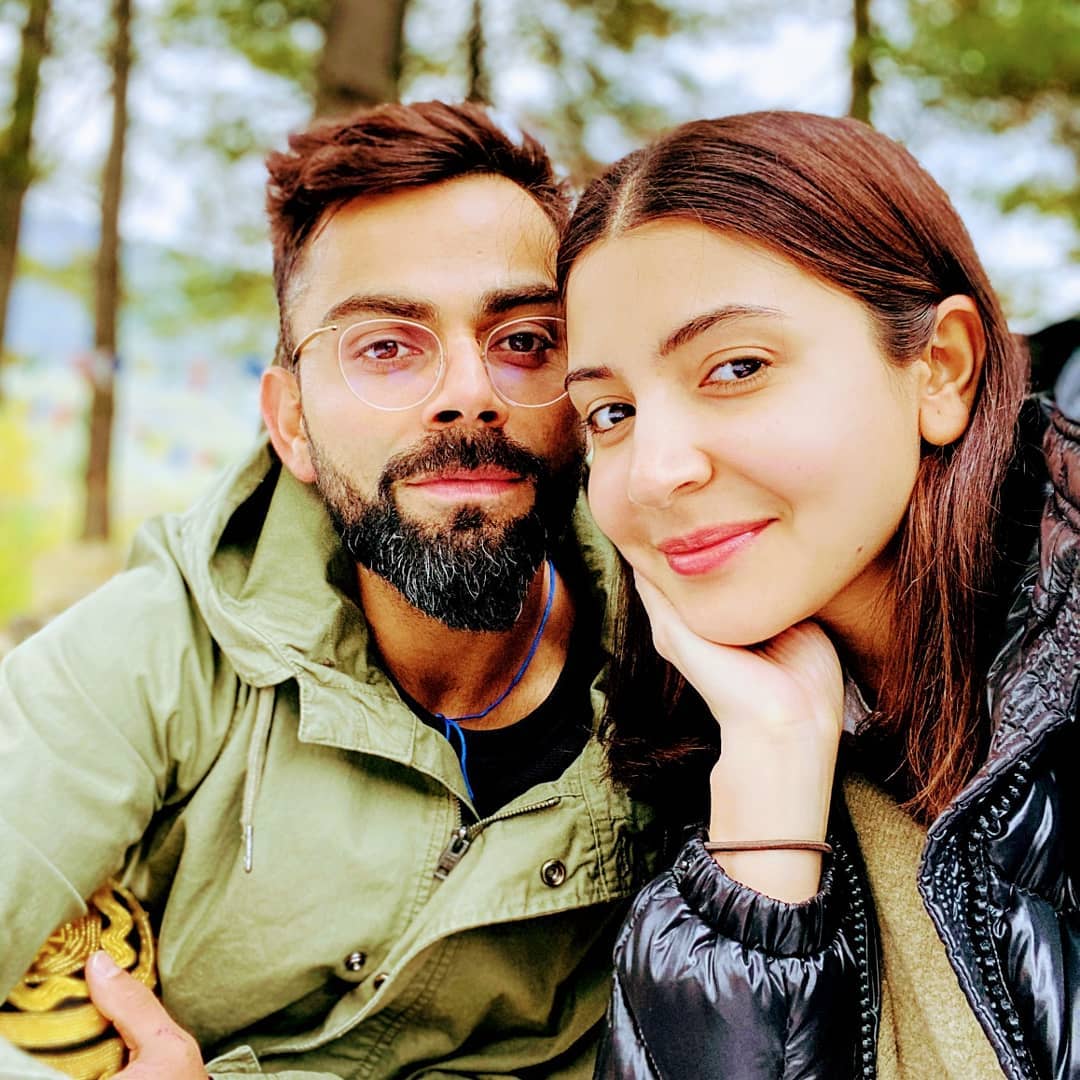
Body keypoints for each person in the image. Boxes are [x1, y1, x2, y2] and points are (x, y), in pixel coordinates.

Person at [0, 101, 655, 1079]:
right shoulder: (156, 647)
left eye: (524, 340)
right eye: (386, 346)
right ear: (292, 424)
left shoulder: (676, 660)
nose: (469, 393)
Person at [556, 111, 1078, 1079]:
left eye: (736, 367)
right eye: (611, 412)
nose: (656, 471)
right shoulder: (686, 757)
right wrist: (768, 780)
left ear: (941, 369)